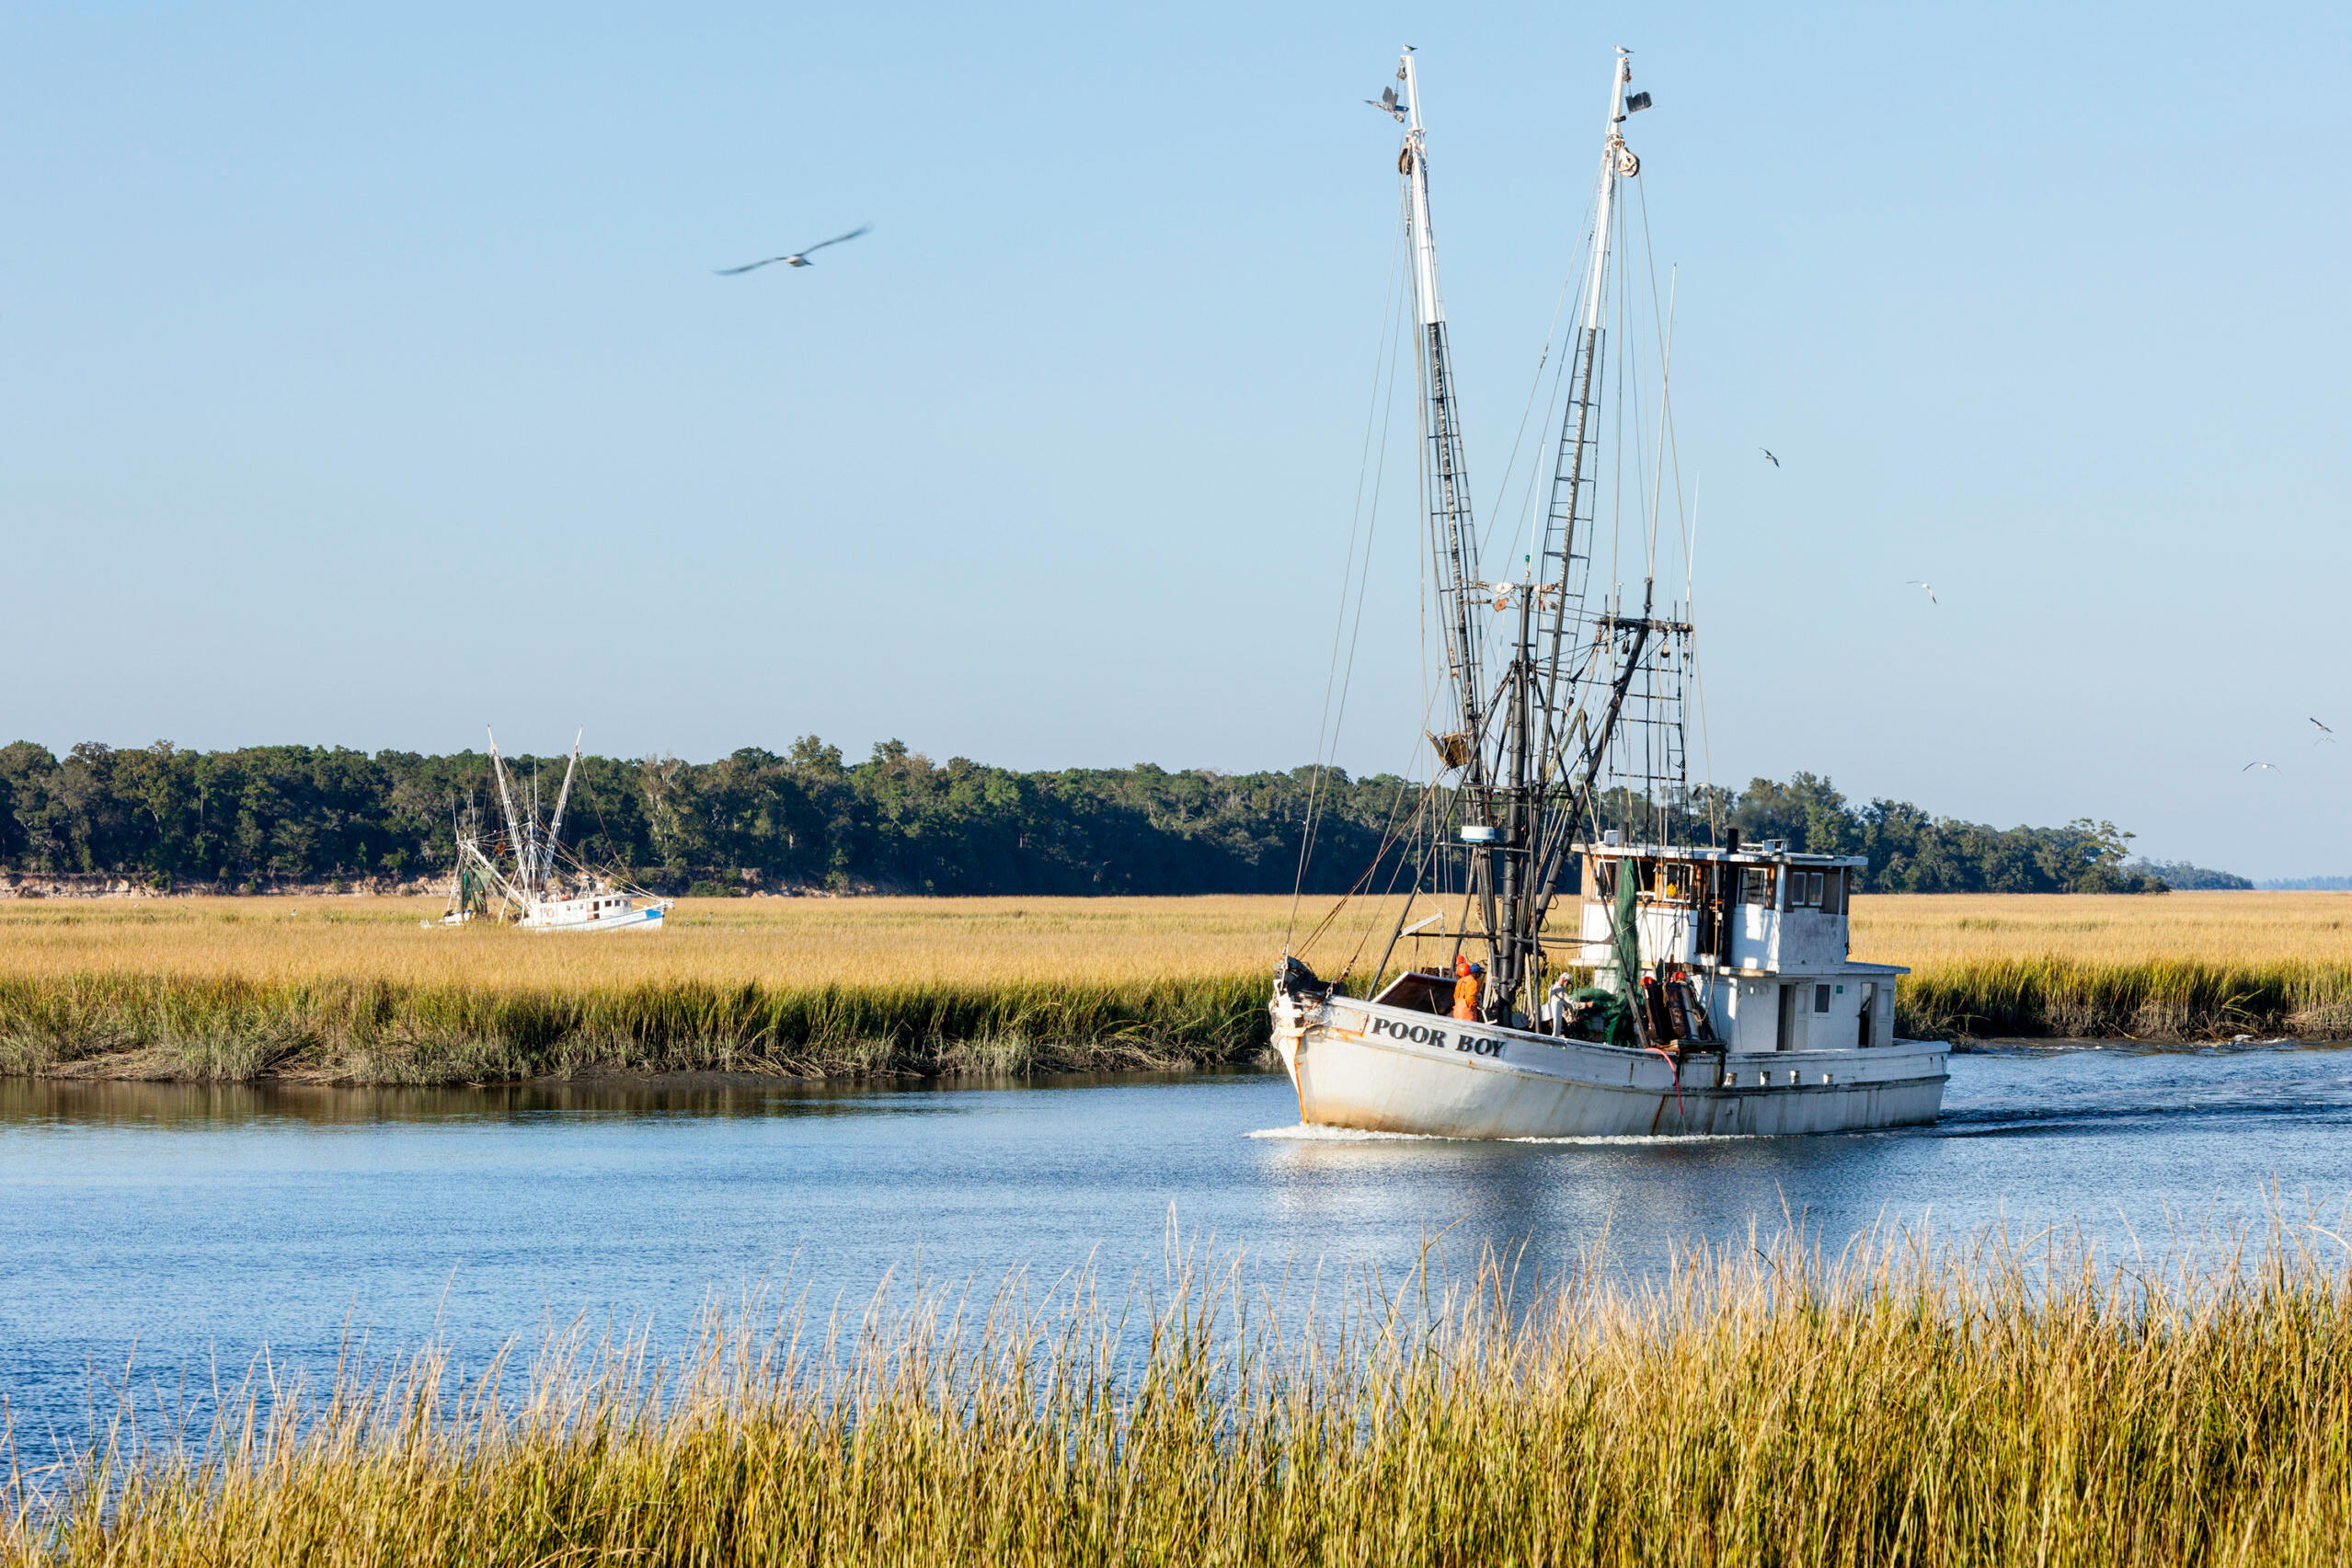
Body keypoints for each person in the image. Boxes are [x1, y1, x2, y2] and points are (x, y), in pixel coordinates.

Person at [1451, 954, 1484, 1021]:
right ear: (1476, 973)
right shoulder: (1473, 982)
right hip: (1466, 1013)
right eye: (1479, 972)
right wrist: (1475, 1004)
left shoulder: (1460, 980)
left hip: (1457, 1010)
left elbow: (1455, 995)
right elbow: (1471, 998)